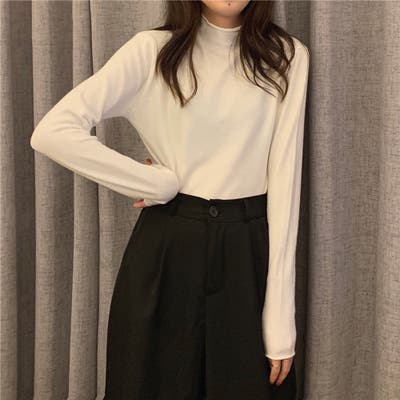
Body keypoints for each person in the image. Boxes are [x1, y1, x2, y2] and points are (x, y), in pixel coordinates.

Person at [30, 0, 310, 399]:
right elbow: (53, 131)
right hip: (167, 250)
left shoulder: (287, 56)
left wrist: (281, 321)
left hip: (248, 252)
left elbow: (285, 183)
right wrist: (152, 182)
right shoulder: (152, 51)